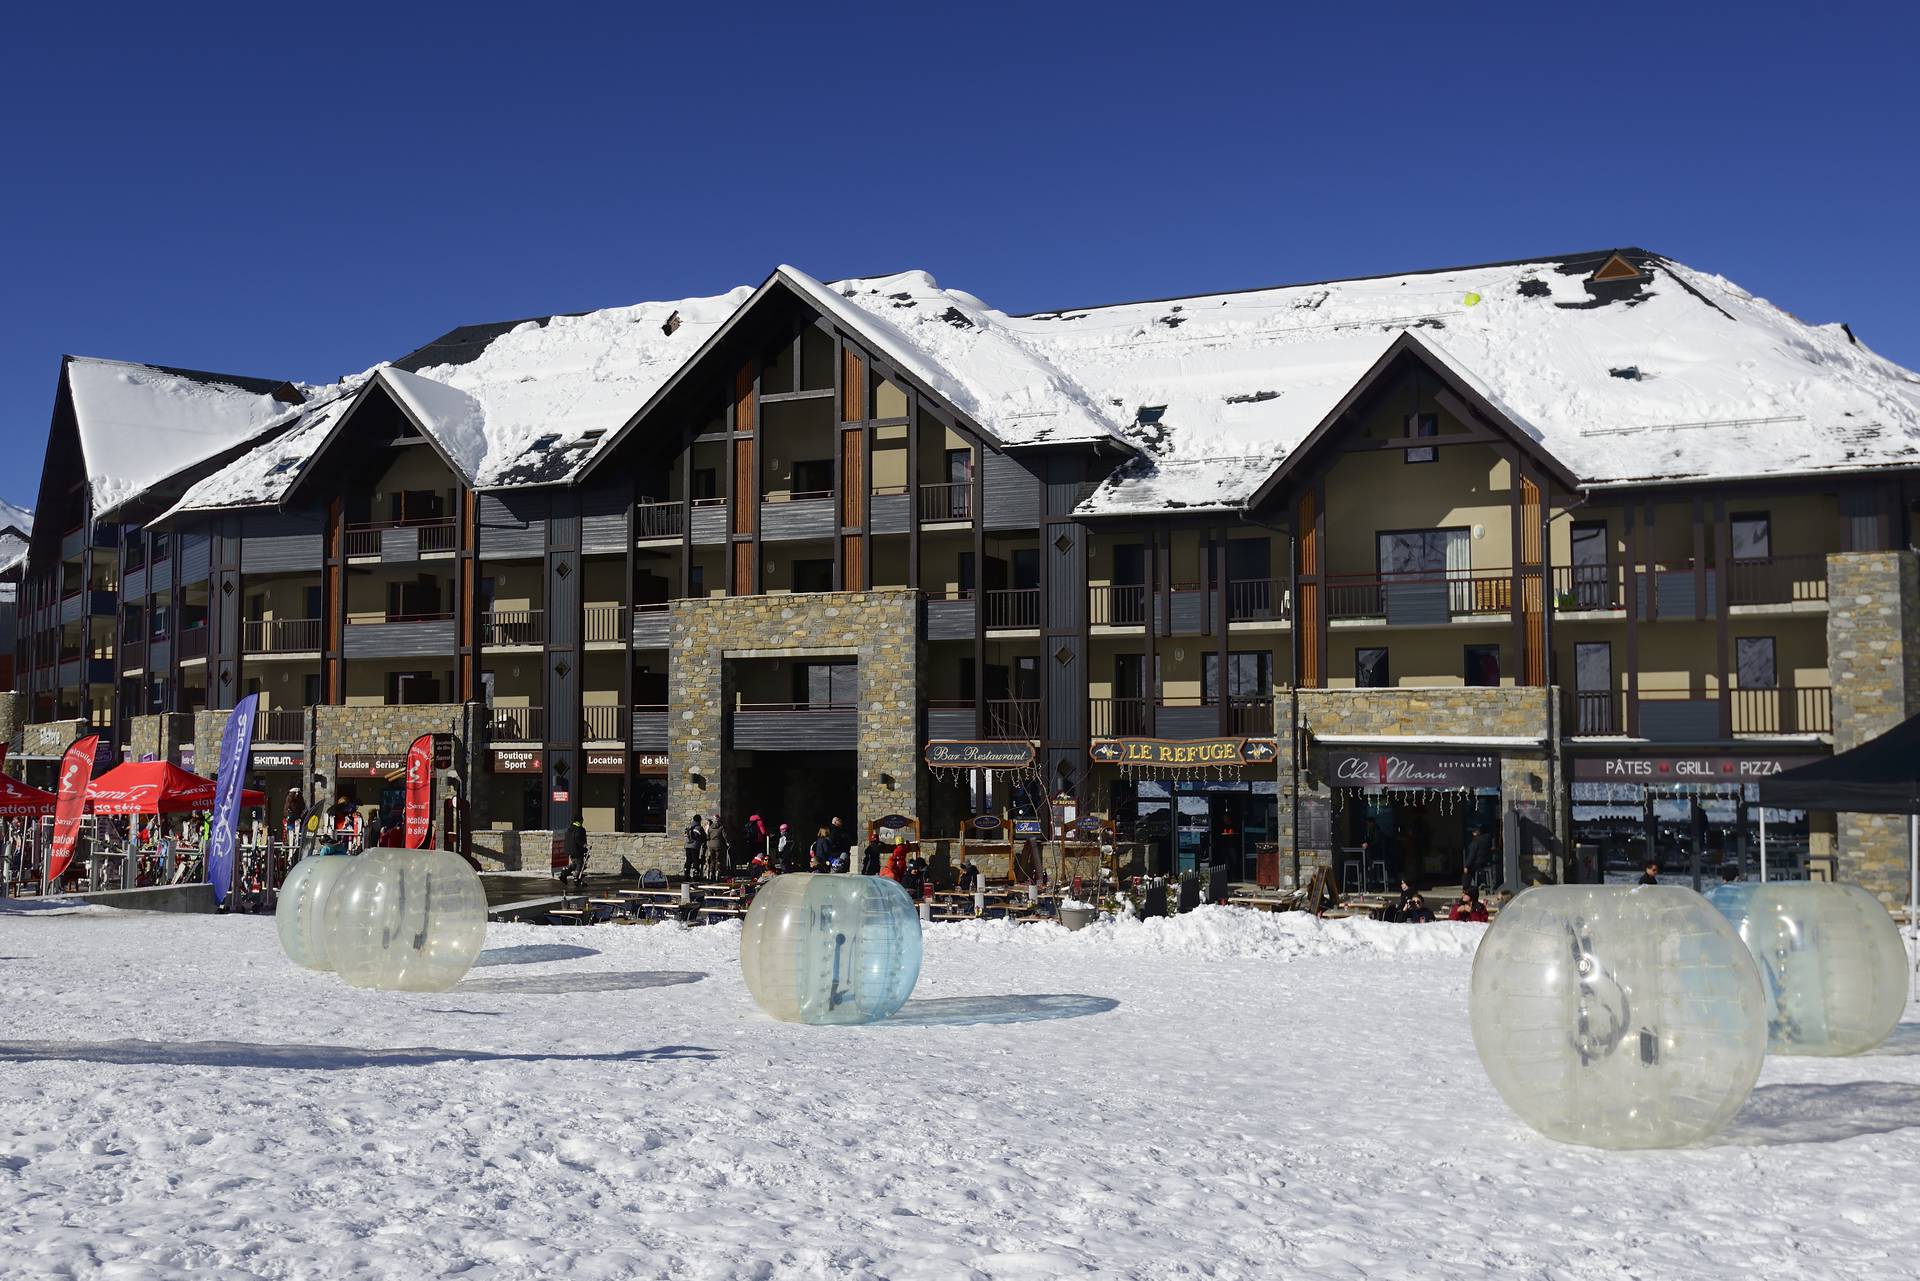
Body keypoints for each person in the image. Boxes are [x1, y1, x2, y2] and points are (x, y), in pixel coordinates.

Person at [1462, 822, 1493, 892]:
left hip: (1477, 863)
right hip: (1485, 862)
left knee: (1467, 872)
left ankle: (1466, 888)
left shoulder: (1475, 842)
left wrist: (1466, 865)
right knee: (1475, 870)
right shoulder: (1487, 839)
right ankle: (1481, 882)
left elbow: (1471, 856)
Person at [682, 813, 708, 881]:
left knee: (688, 860)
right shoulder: (699, 828)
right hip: (695, 846)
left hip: (687, 846)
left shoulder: (689, 827)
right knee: (695, 861)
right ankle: (695, 875)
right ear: (699, 820)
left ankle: (686, 874)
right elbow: (704, 837)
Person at [563, 816, 589, 881]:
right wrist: (584, 846)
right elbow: (578, 839)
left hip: (570, 850)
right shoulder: (580, 829)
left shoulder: (569, 828)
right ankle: (576, 878)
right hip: (577, 850)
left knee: (575, 863)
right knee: (580, 863)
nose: (583, 821)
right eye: (582, 820)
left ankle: (566, 870)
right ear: (580, 821)